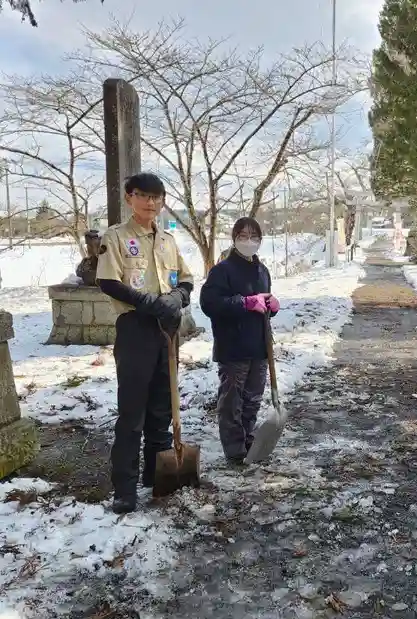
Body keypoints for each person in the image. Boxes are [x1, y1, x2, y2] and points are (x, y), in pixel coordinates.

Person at [96, 172, 194, 514]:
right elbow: (109, 282)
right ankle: (124, 487)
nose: (150, 203)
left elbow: (186, 278)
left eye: (157, 197)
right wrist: (149, 303)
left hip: (166, 329)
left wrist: (178, 298)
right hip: (136, 328)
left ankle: (157, 476)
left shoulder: (167, 240)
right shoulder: (117, 236)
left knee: (162, 408)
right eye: (143, 195)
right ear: (129, 198)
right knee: (132, 412)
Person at [199, 217, 280, 465]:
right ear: (234, 239)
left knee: (252, 399)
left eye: (254, 236)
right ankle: (234, 449)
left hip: (259, 345)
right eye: (243, 236)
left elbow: (262, 304)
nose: (249, 241)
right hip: (233, 346)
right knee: (232, 400)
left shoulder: (261, 270)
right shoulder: (222, 270)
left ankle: (248, 440)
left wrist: (272, 306)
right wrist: (244, 303)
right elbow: (209, 303)